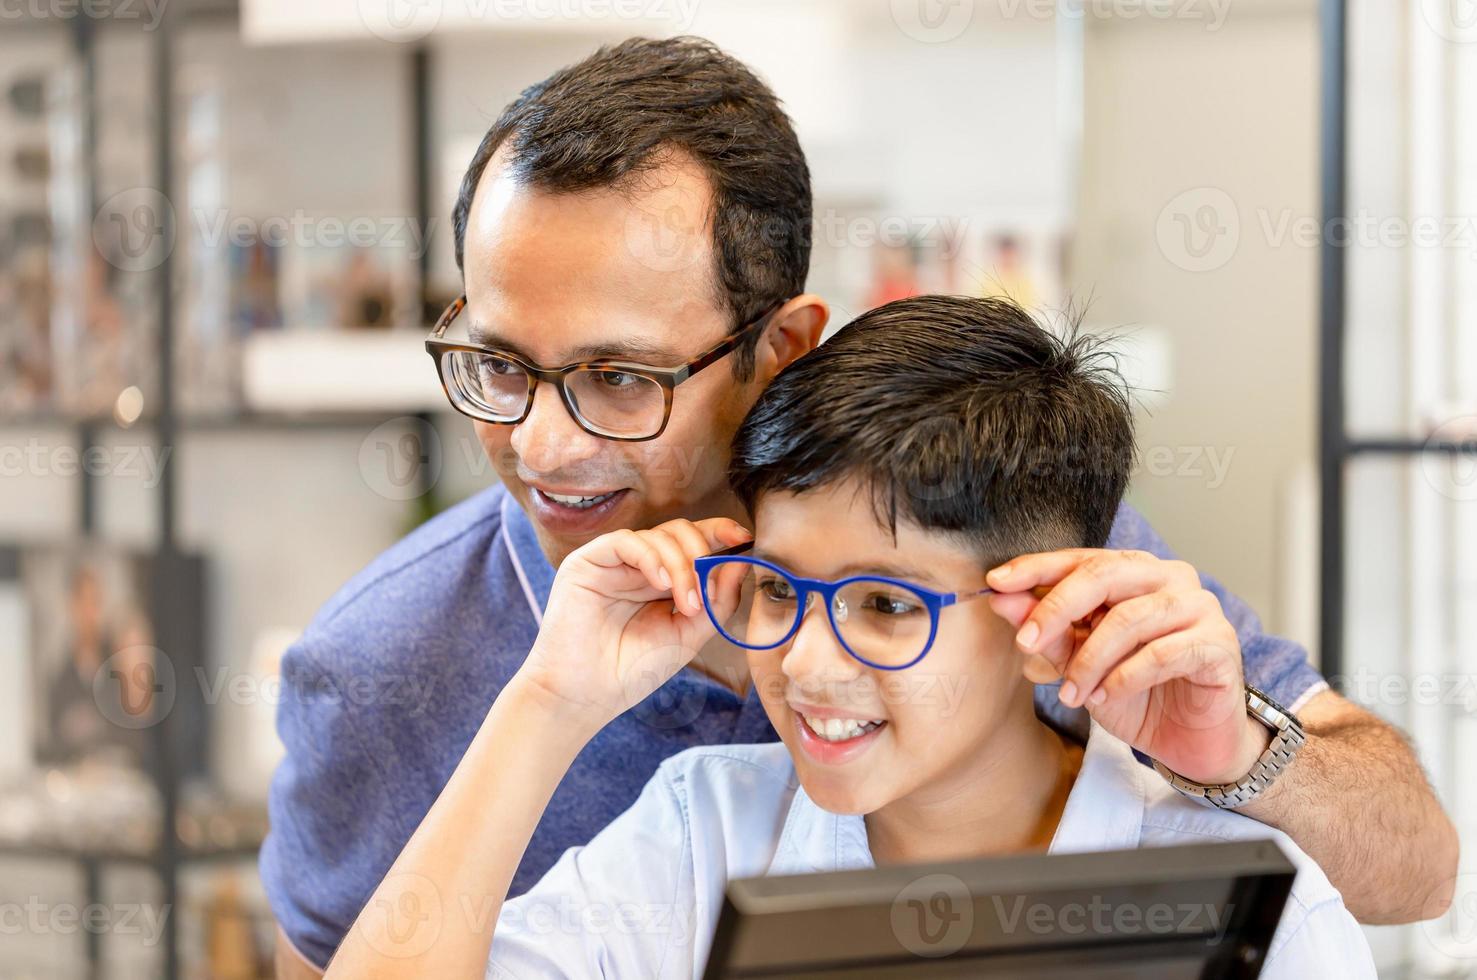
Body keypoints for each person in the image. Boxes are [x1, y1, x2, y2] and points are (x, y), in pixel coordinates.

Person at [263, 36, 1455, 978]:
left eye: (620, 377)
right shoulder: (383, 667)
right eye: (503, 363)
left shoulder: (1004, 533)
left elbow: (1414, 870)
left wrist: (1246, 756)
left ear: (780, 347)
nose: (539, 441)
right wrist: (544, 708)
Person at [325, 295, 1377, 978]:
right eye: (779, 590)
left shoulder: (1242, 889)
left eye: (885, 604)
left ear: (1041, 616)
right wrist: (547, 701)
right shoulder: (703, 836)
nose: (809, 664)